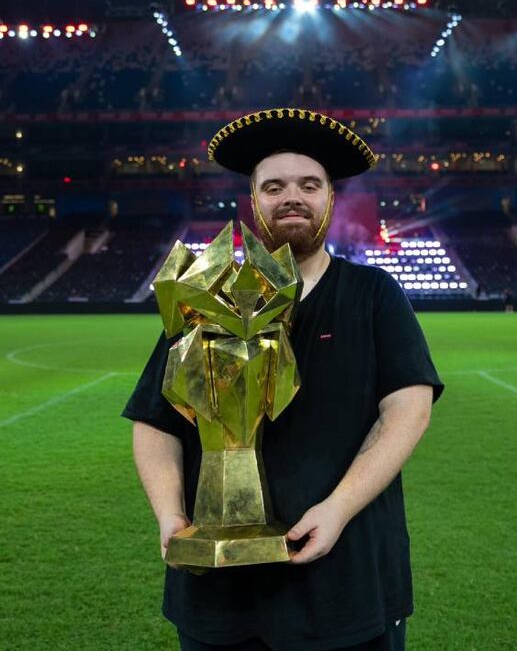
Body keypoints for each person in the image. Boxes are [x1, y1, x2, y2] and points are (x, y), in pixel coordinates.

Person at [123, 108, 444, 651]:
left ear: (329, 200)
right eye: (273, 186)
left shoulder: (373, 295)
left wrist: (338, 509)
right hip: (219, 596)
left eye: (309, 185)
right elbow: (155, 422)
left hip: (348, 582)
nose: (291, 196)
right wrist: (171, 515)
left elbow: (408, 409)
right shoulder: (209, 299)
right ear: (253, 202)